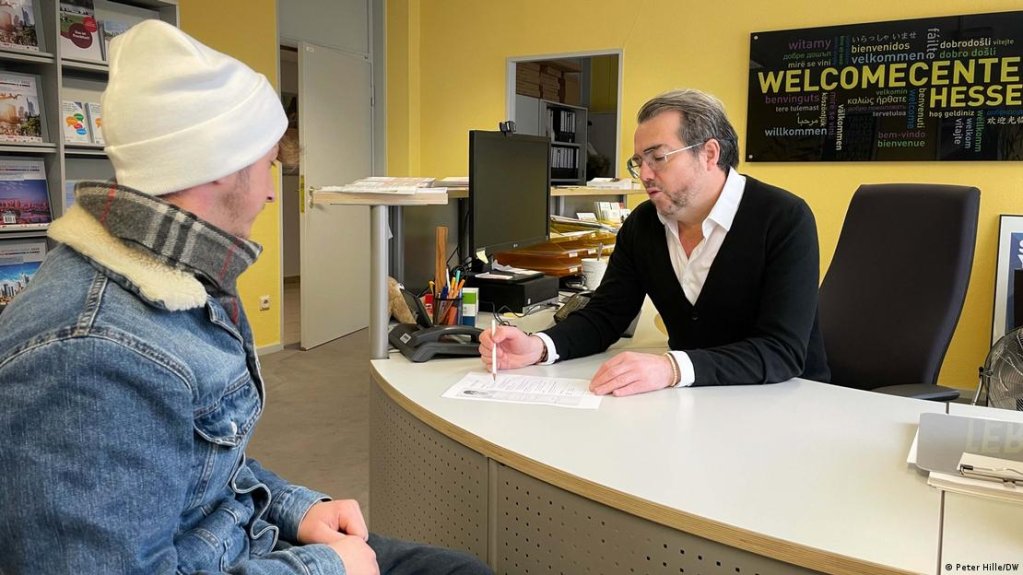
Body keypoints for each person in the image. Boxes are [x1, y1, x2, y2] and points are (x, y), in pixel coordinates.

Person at [0, 20, 491, 575]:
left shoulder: (176, 281)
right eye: (267, 166)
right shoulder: (89, 353)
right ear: (216, 166)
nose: (268, 190)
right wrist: (328, 568)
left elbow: (204, 466)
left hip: (246, 540)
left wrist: (297, 509)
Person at [480, 89, 829, 395]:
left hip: (786, 401)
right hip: (694, 399)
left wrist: (670, 368)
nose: (645, 174)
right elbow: (606, 315)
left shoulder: (784, 218)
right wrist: (538, 346)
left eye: (657, 158)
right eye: (639, 163)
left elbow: (781, 350)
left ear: (709, 154)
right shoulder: (644, 224)